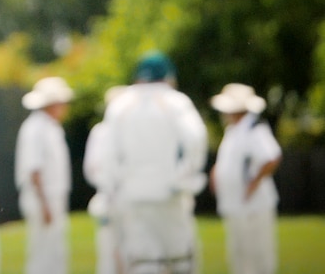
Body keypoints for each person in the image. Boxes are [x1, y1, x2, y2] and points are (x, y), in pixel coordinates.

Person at [99, 51, 207, 274]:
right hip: (170, 193)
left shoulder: (119, 105)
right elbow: (196, 140)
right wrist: (182, 176)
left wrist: (121, 181)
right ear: (167, 76)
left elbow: (107, 153)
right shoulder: (175, 101)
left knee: (145, 262)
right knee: (180, 259)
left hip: (134, 194)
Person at [209, 83, 282, 274]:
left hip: (253, 207)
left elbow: (272, 157)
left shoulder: (254, 129)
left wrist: (253, 183)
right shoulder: (234, 130)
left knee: (258, 256)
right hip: (236, 205)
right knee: (239, 254)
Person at [14, 76, 75, 274]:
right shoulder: (35, 128)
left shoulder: (50, 127)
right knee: (42, 251)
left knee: (55, 250)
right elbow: (34, 170)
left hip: (53, 197)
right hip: (42, 198)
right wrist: (44, 204)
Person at [82, 85, 126, 274]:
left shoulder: (131, 132)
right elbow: (91, 169)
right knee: (108, 254)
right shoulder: (100, 132)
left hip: (131, 200)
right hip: (108, 200)